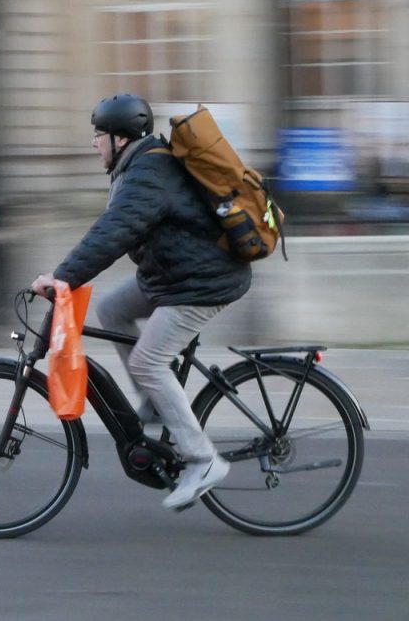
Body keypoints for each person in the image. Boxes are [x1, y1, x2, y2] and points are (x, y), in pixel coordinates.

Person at [31, 93, 251, 510]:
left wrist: (61, 278)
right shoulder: (135, 167)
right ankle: (155, 400)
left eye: (99, 135)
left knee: (148, 361)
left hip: (203, 282)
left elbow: (115, 232)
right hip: (171, 277)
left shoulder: (150, 171)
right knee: (111, 310)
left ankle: (203, 460)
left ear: (120, 138)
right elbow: (108, 228)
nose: (94, 143)